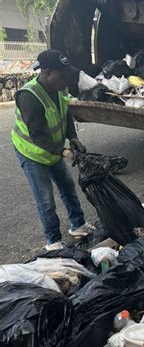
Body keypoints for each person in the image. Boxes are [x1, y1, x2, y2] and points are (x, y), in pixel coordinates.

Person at [11, 49, 94, 251]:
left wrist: (72, 137)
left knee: (67, 187)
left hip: (53, 150)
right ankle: (53, 241)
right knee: (46, 199)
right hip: (31, 153)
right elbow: (37, 135)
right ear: (47, 72)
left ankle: (78, 225)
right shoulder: (29, 96)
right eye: (62, 75)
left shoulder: (60, 88)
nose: (67, 79)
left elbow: (66, 115)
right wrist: (64, 152)